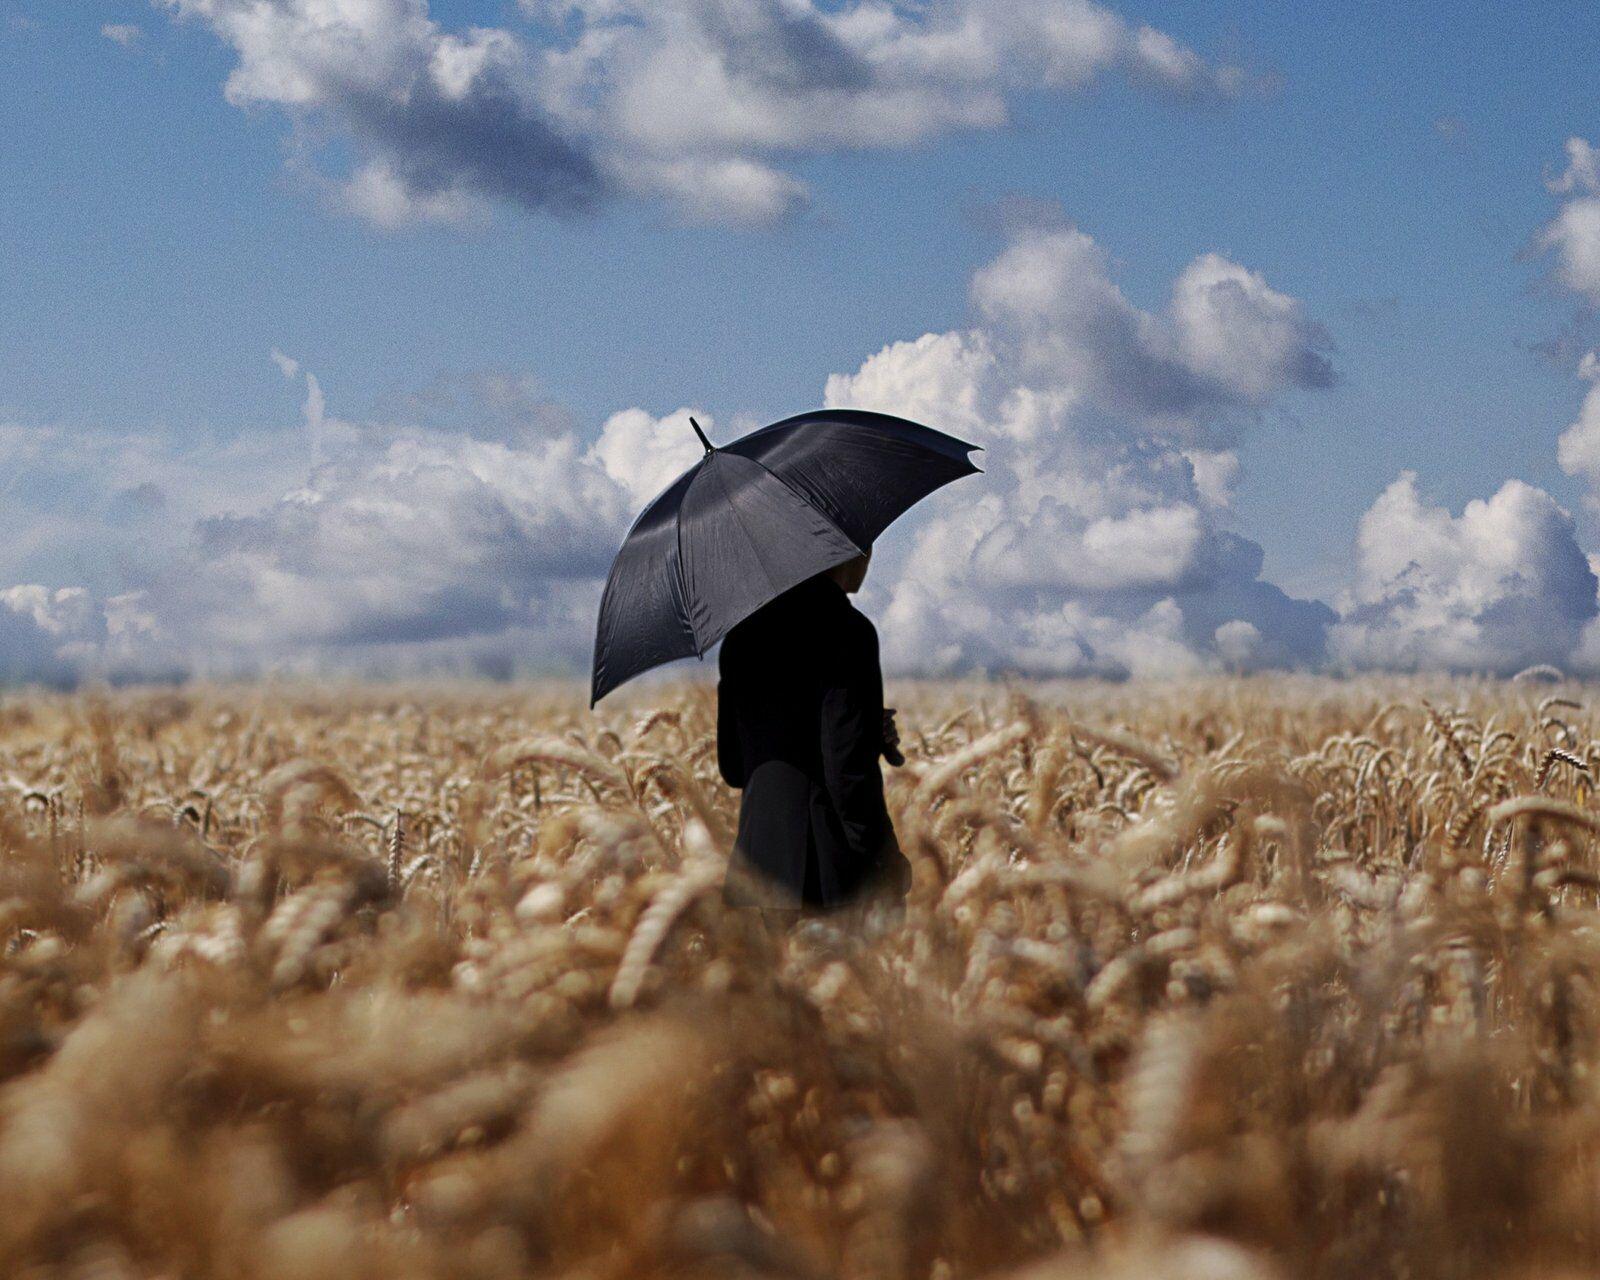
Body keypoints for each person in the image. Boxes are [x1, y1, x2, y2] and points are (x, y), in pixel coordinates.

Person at [716, 549, 911, 914]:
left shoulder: (739, 637)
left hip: (753, 871)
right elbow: (847, 771)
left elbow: (733, 767)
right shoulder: (849, 631)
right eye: (866, 548)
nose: (868, 558)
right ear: (843, 552)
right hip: (825, 874)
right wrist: (881, 863)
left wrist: (865, 728)